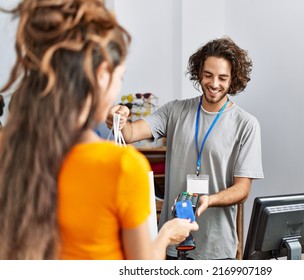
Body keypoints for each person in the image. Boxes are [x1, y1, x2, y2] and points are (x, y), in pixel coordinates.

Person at [0, 0, 197, 260]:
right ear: (102, 75)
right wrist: (167, 235)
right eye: (120, 78)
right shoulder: (122, 167)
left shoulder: (7, 149)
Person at [107, 36, 264, 259]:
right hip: (170, 245)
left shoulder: (246, 125)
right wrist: (119, 119)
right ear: (199, 72)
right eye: (208, 75)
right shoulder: (175, 111)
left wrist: (209, 200)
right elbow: (130, 133)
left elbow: (242, 189)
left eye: (222, 78)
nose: (214, 84)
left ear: (233, 79)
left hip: (216, 249)